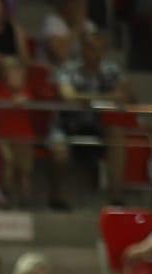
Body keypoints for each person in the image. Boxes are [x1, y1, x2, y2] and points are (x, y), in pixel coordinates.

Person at [54, 30, 134, 203]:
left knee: (116, 134)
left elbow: (124, 95)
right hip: (68, 125)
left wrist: (85, 98)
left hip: (99, 125)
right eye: (90, 48)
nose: (94, 53)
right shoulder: (67, 69)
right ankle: (57, 196)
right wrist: (106, 98)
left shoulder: (112, 70)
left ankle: (116, 196)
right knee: (59, 150)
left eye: (99, 49)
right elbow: (67, 96)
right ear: (82, 50)